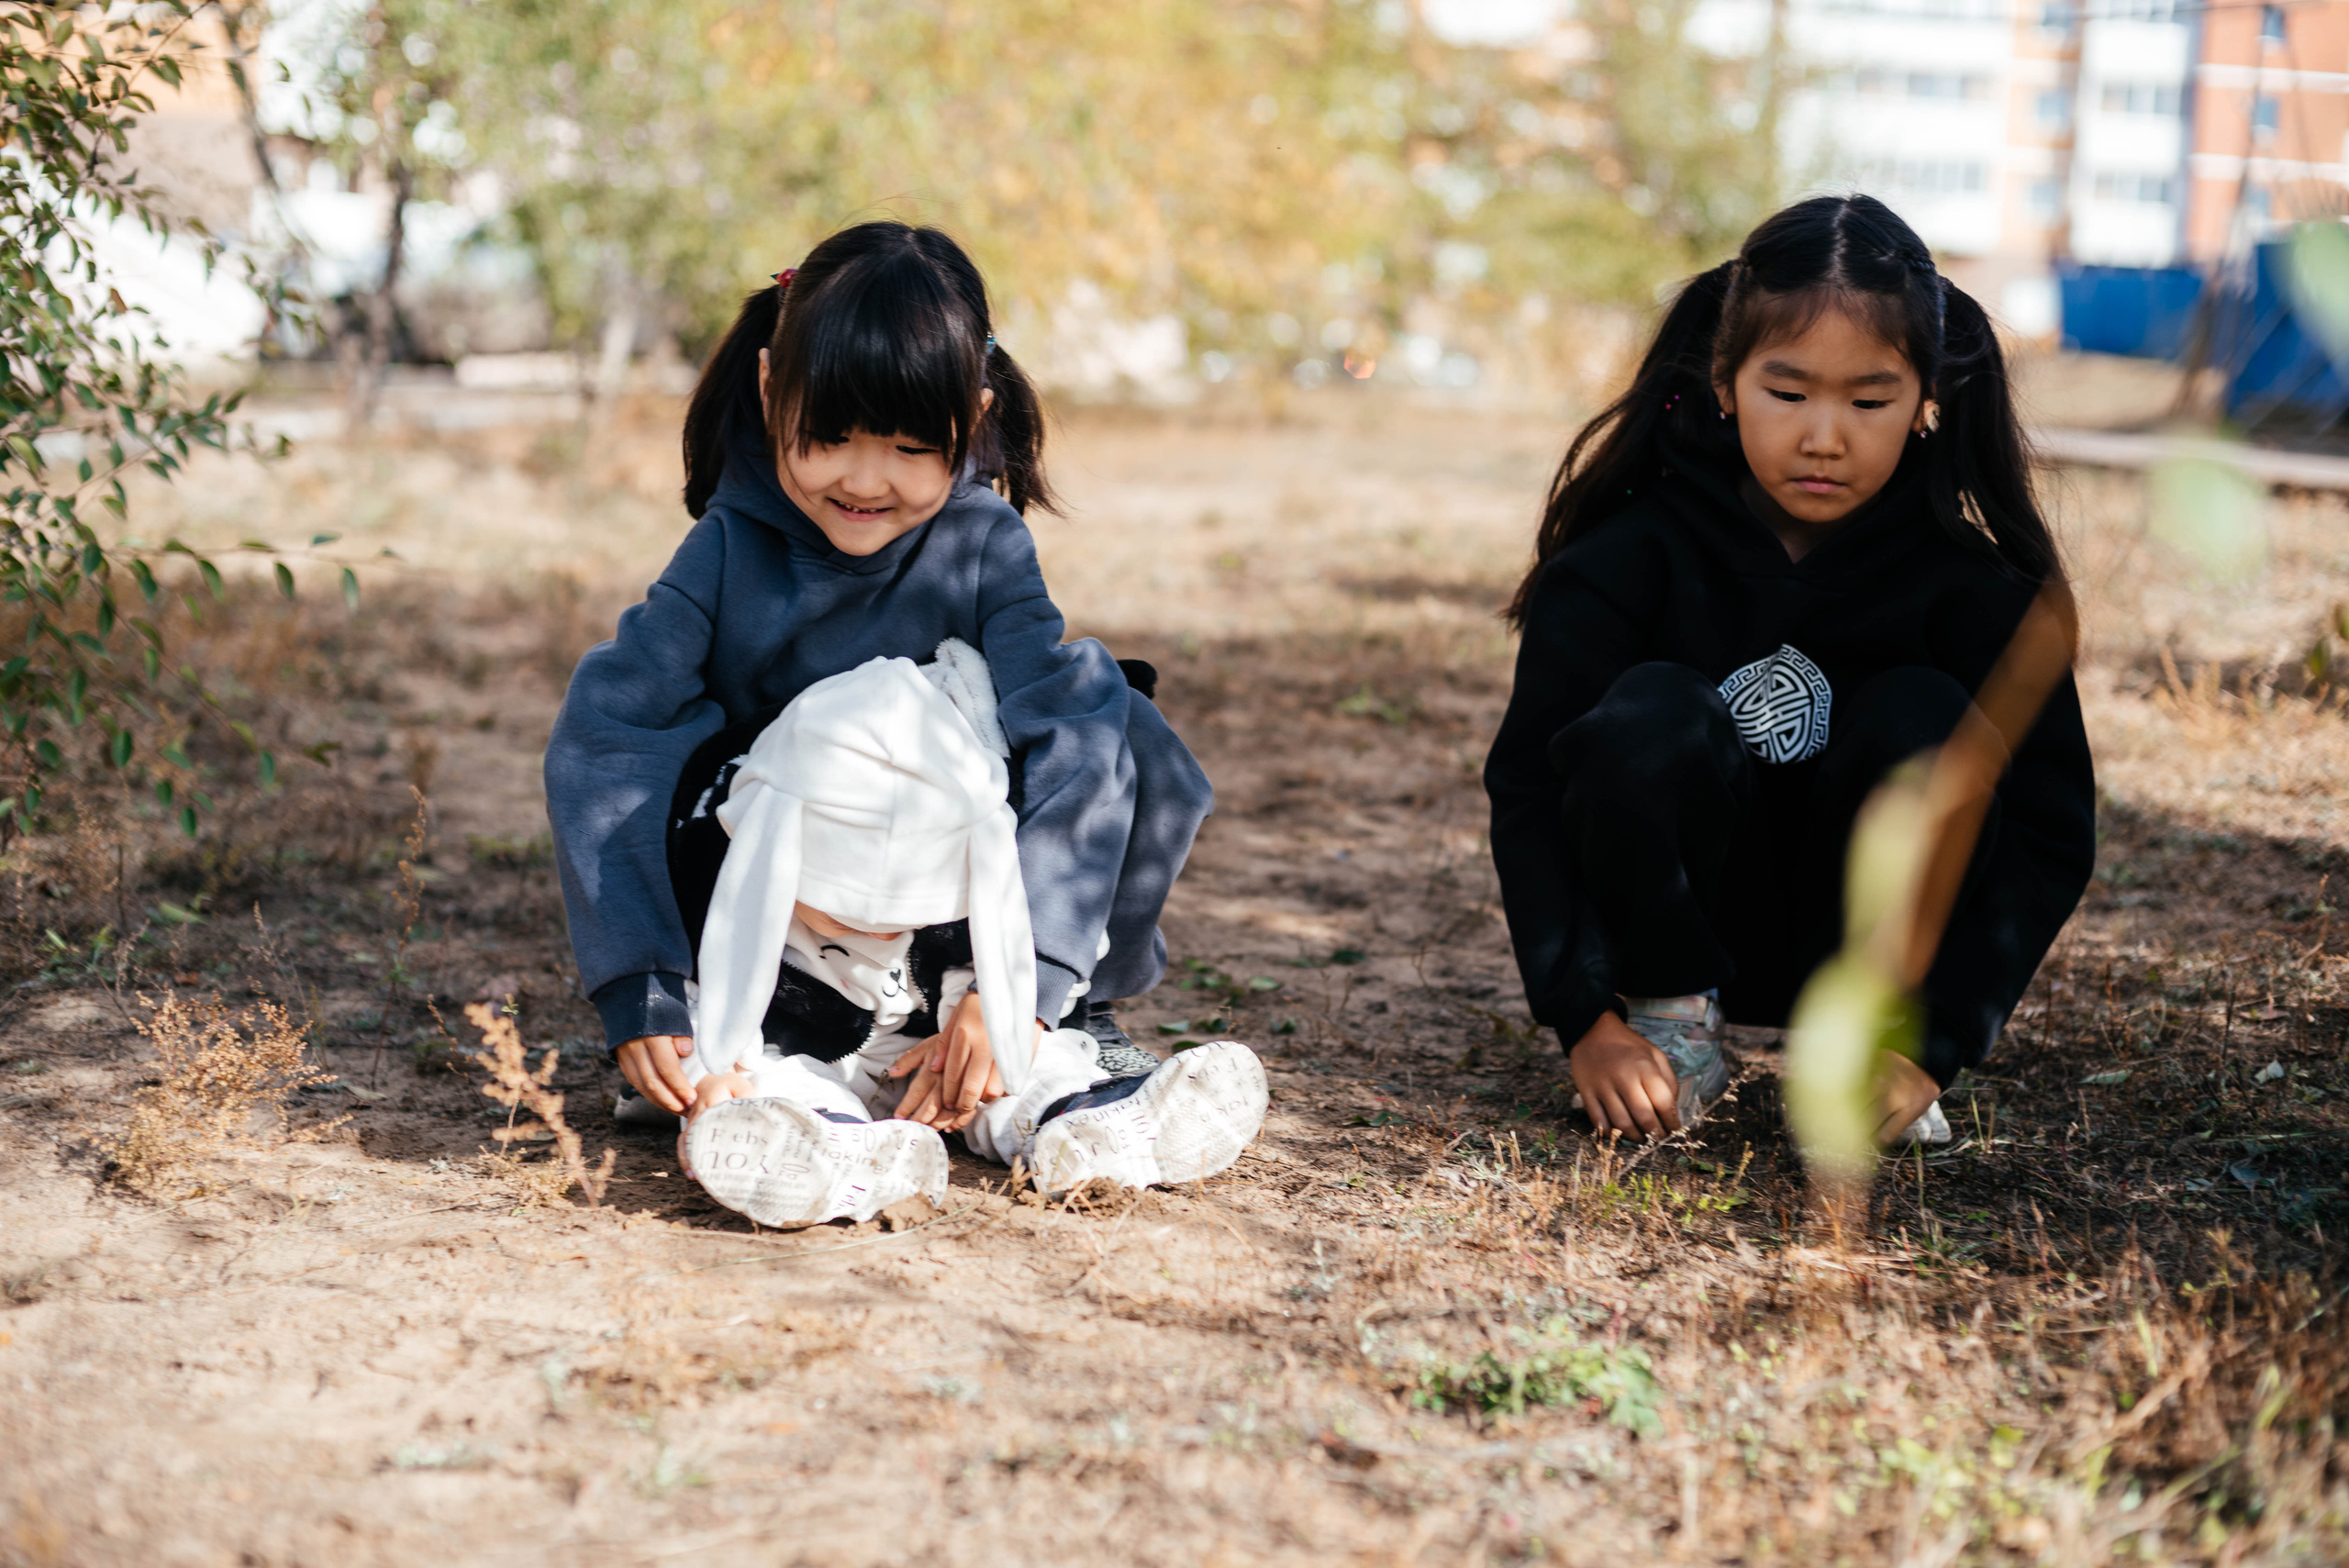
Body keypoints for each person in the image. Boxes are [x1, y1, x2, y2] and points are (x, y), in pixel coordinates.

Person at [545, 220, 1222, 1188]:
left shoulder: (980, 545)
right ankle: (741, 1054)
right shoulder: (731, 547)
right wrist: (643, 985)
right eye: (828, 437)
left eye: (910, 447)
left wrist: (1026, 978)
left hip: (947, 887)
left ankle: (1059, 1031)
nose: (864, 479)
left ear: (971, 415)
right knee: (673, 753)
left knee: (1123, 725)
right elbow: (609, 739)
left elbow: (1072, 736)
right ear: (774, 388)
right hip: (785, 892)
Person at [1484, 194, 2095, 1146]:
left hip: (1871, 960)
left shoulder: (1978, 591)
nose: (1823, 435)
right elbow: (1527, 783)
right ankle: (1673, 1022)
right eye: (1787, 390)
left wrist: (1932, 1041)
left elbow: (2051, 830)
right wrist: (1584, 1021)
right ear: (1724, 381)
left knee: (1921, 714)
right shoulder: (1623, 558)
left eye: (1867, 400)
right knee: (1651, 709)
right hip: (1667, 939)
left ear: (1926, 401)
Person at [669, 653, 1266, 1224]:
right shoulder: (725, 876)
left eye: (907, 909)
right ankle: (830, 1150)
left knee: (1033, 1062)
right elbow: (708, 992)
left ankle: (1085, 1125)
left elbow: (997, 966)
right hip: (813, 1059)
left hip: (943, 1058)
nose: (880, 928)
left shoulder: (965, 877)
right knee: (769, 1085)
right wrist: (711, 1074)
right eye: (844, 908)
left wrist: (973, 1052)